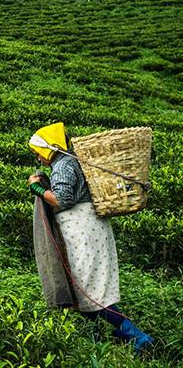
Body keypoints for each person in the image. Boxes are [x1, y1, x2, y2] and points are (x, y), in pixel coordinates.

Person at [28, 122, 153, 354]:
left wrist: (36, 188)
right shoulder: (68, 162)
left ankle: (136, 336)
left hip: (82, 231)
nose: (37, 157)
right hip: (85, 229)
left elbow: (62, 200)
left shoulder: (64, 165)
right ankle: (95, 339)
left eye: (38, 151)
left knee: (89, 289)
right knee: (84, 286)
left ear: (49, 147)